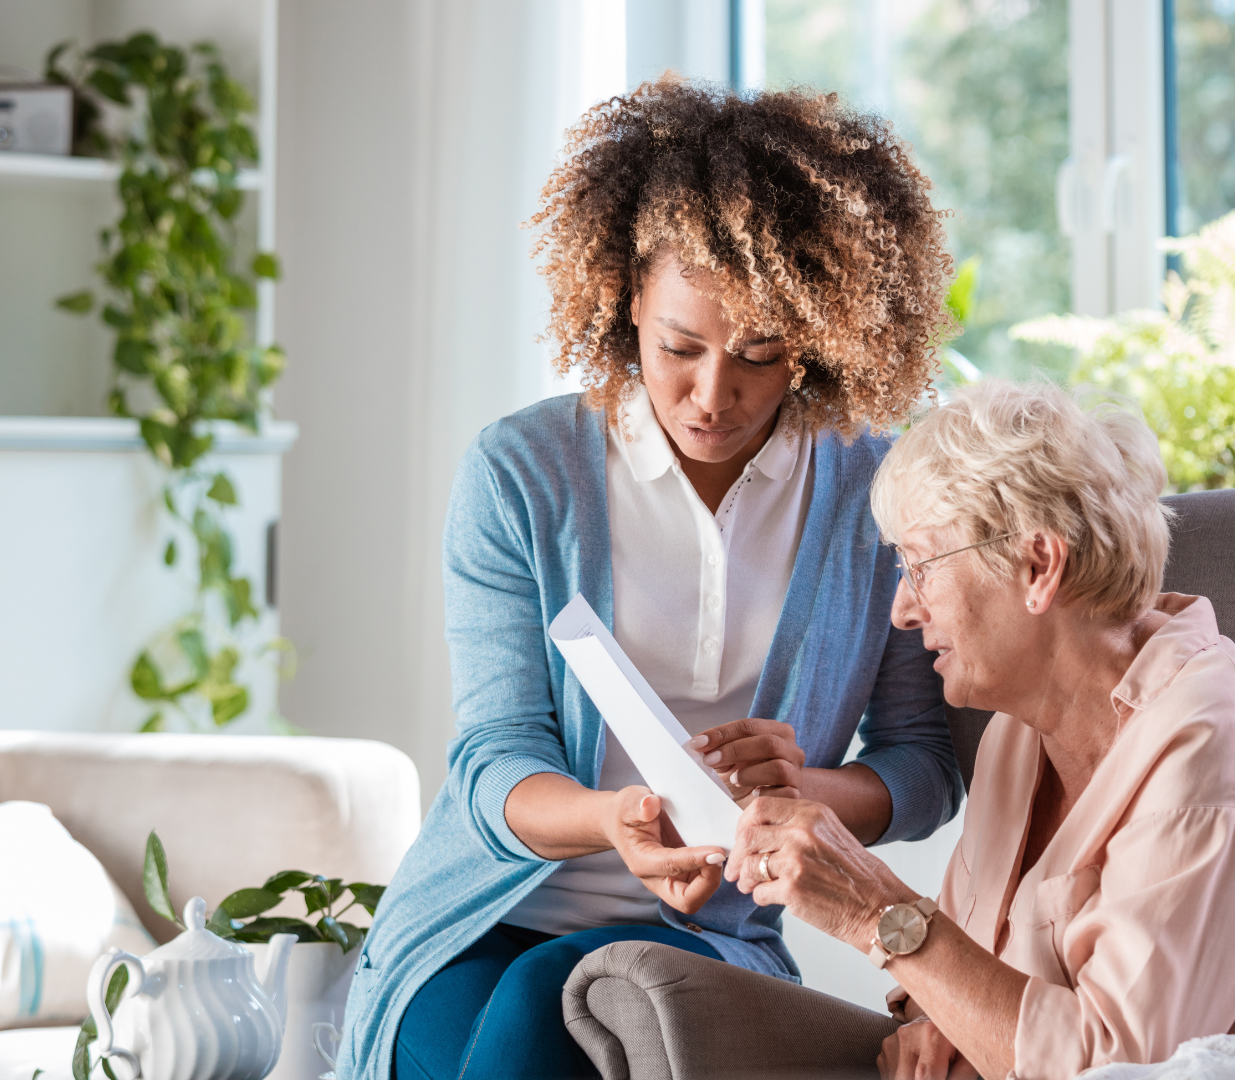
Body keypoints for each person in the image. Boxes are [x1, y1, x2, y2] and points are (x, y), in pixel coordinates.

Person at [337, 76, 965, 1080]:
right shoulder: (521, 473)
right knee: (487, 1026)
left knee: (556, 1008)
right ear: (630, 299)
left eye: (760, 355)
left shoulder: (873, 495)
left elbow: (924, 768)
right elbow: (494, 758)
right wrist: (612, 823)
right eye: (680, 347)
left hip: (706, 931)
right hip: (482, 915)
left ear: (817, 337)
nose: (714, 395)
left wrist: (804, 789)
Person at [728, 381, 1235, 1080]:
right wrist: (939, 1022)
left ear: (1038, 566)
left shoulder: (1217, 742)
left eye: (922, 566)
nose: (903, 610)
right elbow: (964, 971)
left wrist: (874, 907)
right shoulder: (1017, 735)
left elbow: (1117, 1068)